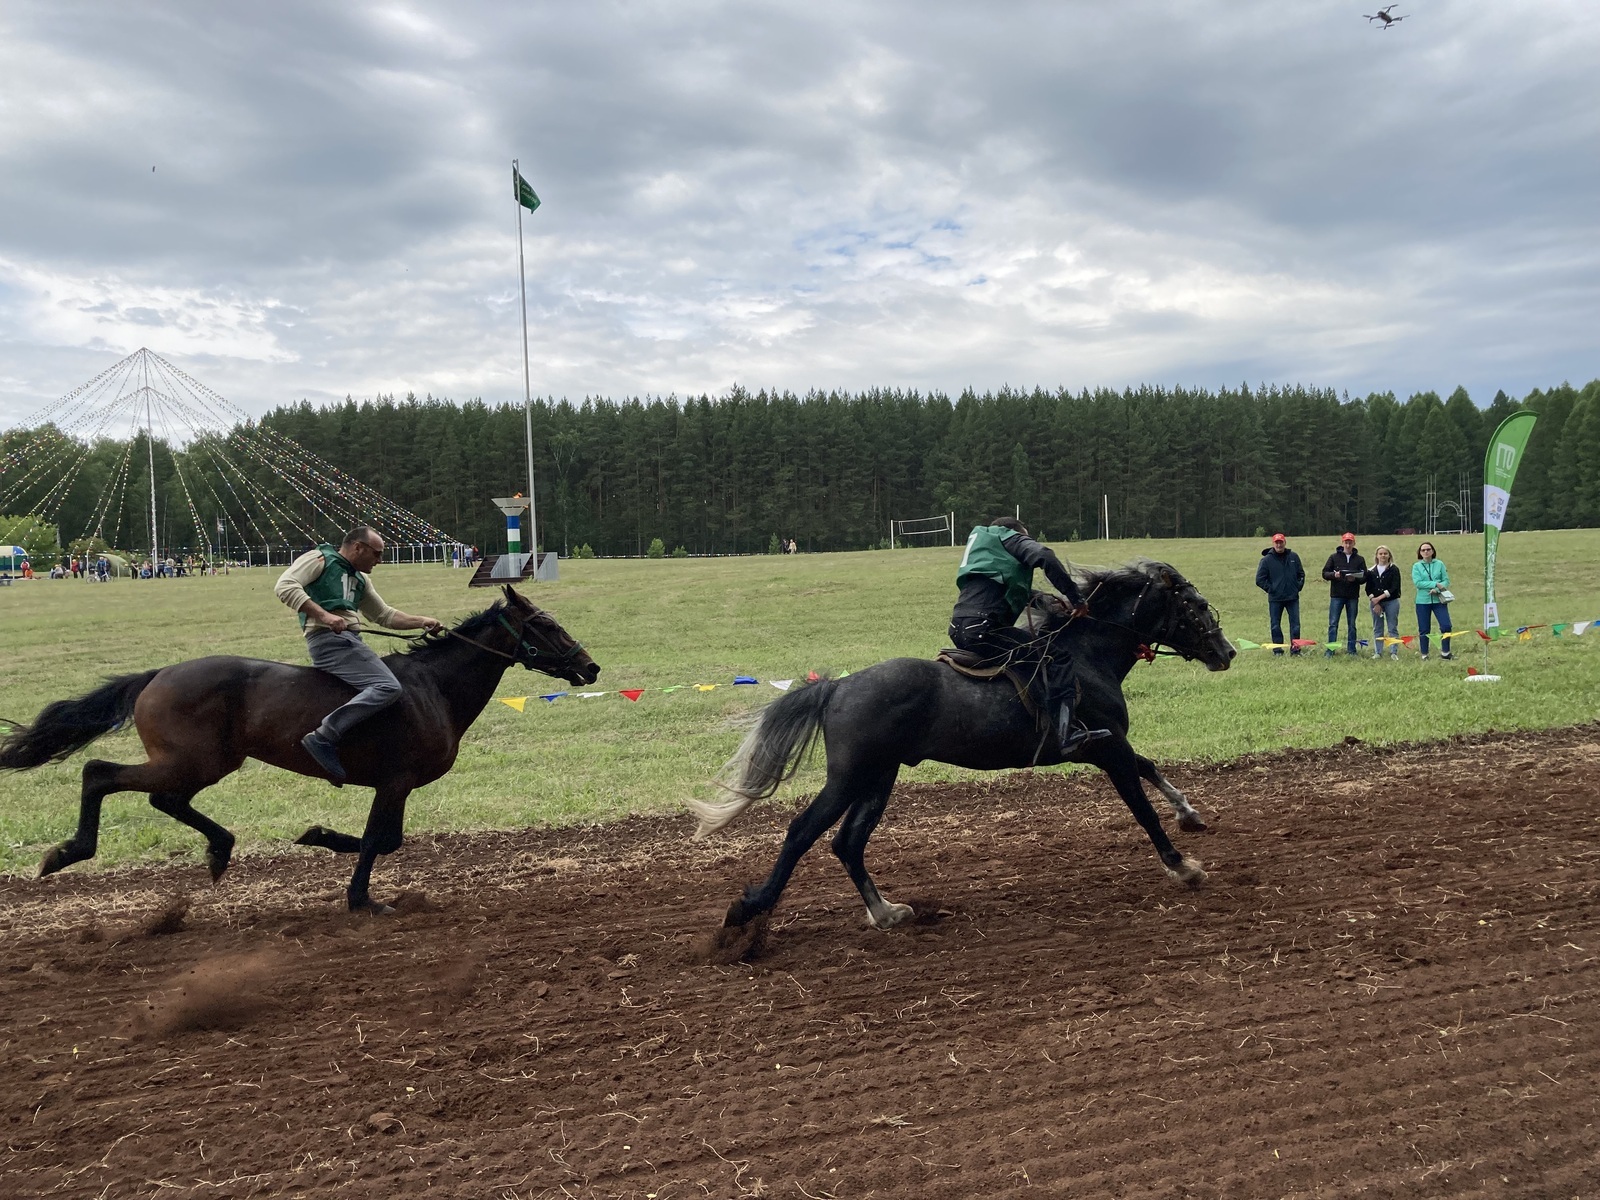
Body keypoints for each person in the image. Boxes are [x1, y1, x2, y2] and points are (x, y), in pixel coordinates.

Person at [275, 526, 442, 785]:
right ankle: (324, 736)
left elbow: (383, 615)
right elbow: (285, 586)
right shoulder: (320, 559)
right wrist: (325, 616)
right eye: (377, 554)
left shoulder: (360, 579)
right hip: (329, 642)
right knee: (387, 687)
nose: (379, 560)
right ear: (357, 547)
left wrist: (422, 621)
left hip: (350, 641)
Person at [949, 517, 1104, 756]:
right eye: (1025, 537)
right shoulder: (1008, 535)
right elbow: (1046, 557)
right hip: (986, 629)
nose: (1025, 541)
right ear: (1016, 533)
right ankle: (1067, 733)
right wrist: (1076, 599)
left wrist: (1046, 600)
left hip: (960, 627)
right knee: (1056, 658)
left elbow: (1008, 590)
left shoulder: (985, 551)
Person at [1254, 533, 1305, 656]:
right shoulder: (1266, 560)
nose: (1279, 544)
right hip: (1275, 599)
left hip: (1292, 597)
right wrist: (1271, 589)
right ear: (1273, 544)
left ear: (1284, 542)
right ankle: (1277, 650)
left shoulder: (1293, 556)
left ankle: (1296, 650)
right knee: (1275, 625)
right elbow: (1259, 579)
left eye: (1281, 542)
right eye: (1276, 542)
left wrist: (1297, 587)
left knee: (1296, 626)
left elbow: (1301, 574)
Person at [1321, 533, 1367, 657]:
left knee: (1352, 624)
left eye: (1350, 542)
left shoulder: (1359, 559)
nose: (1348, 544)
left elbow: (1364, 577)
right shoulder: (1334, 557)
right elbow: (1325, 573)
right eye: (1346, 542)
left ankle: (1351, 650)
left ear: (1354, 543)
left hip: (1352, 596)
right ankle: (1330, 649)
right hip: (1337, 595)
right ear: (1342, 543)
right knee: (1333, 623)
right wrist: (1333, 575)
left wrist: (1356, 579)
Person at [1412, 541, 1454, 661]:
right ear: (1420, 553)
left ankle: (1446, 652)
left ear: (1432, 551)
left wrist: (1437, 589)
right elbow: (1418, 583)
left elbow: (1446, 580)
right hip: (1422, 601)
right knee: (1424, 628)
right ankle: (1424, 654)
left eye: (1428, 549)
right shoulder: (1417, 566)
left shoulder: (1439, 564)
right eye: (1423, 550)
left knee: (1446, 625)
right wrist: (1435, 583)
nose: (1426, 552)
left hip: (1438, 600)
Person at [1365, 545, 1403, 660]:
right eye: (1380, 554)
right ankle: (1378, 652)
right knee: (1377, 627)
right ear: (1377, 556)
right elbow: (1368, 588)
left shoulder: (1394, 569)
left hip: (1391, 602)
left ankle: (1393, 652)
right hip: (1376, 604)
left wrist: (1379, 598)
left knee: (1392, 627)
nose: (1383, 556)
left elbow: (1394, 588)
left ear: (1389, 555)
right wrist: (1375, 602)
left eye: (1385, 553)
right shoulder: (1371, 571)